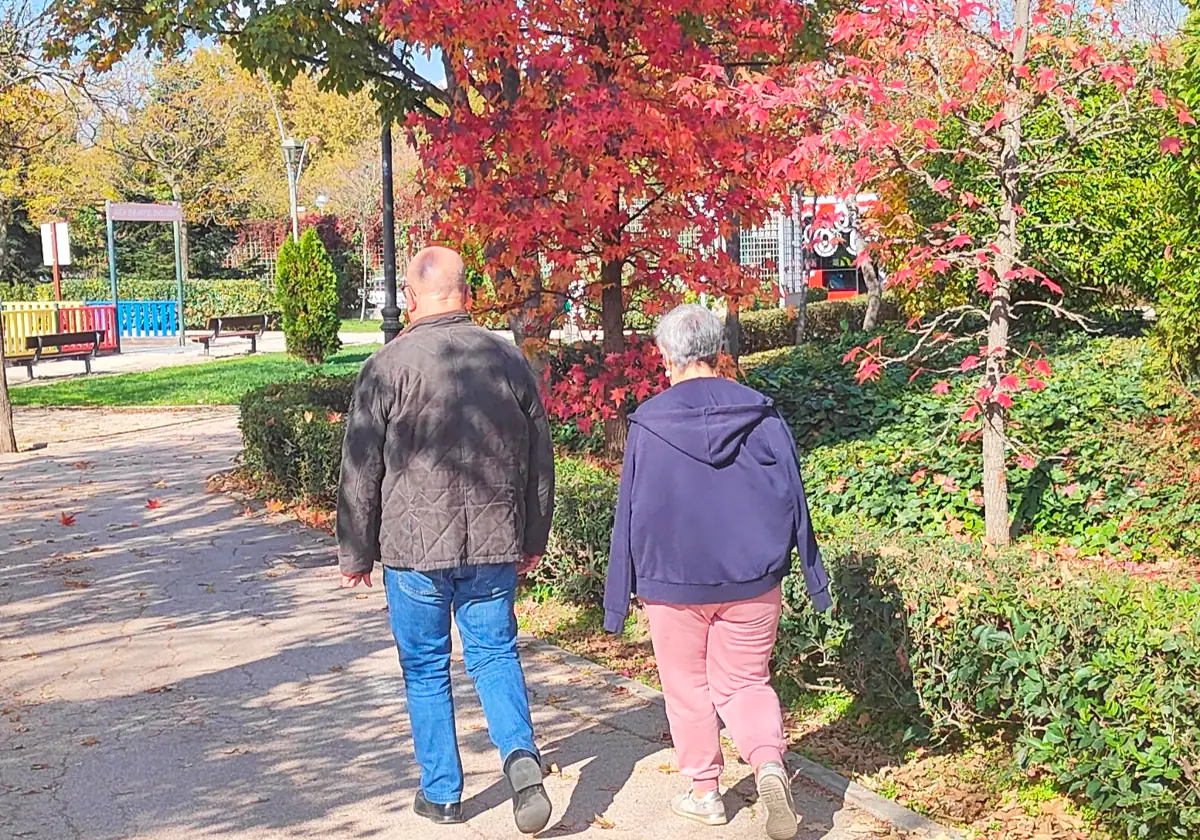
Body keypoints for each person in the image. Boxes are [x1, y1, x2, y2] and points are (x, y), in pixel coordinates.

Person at [337, 246, 555, 834]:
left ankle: (442, 793)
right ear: (467, 293)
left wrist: (357, 551)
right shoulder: (508, 361)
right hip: (493, 541)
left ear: (410, 298)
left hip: (412, 550)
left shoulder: (386, 366)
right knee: (494, 652)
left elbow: (361, 468)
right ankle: (521, 758)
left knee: (426, 667)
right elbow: (540, 460)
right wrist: (533, 535)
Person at [602, 304, 832, 840]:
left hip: (672, 580)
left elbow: (629, 510)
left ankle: (705, 792)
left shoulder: (649, 422)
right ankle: (769, 764)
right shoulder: (763, 413)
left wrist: (620, 592)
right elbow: (793, 495)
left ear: (667, 358)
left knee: (687, 687)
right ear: (718, 349)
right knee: (745, 681)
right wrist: (807, 569)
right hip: (753, 577)